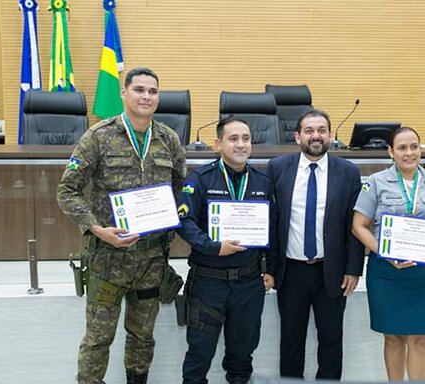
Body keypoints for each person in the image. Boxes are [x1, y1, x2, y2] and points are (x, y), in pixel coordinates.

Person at [57, 67, 186, 384]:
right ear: (124, 93)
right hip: (107, 260)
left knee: (143, 338)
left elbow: (183, 190)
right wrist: (96, 228)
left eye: (153, 91)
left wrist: (176, 214)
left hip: (151, 262)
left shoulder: (168, 139)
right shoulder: (99, 137)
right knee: (98, 339)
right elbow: (67, 190)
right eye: (139, 89)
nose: (147, 96)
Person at [352, 126, 425, 381]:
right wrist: (384, 251)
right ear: (390, 152)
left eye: (414, 147)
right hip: (387, 273)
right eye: (402, 148)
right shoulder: (375, 183)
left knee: (421, 339)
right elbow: (358, 225)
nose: (409, 153)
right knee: (393, 338)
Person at [176, 116, 277, 384]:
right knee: (199, 355)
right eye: (233, 139)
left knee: (242, 357)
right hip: (208, 281)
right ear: (218, 143)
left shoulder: (262, 182)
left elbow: (273, 230)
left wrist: (271, 270)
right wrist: (212, 246)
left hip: (248, 283)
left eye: (246, 139)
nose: (241, 145)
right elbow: (183, 221)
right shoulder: (200, 178)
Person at [267, 109, 364, 380]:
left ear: (330, 135)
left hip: (330, 271)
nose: (316, 136)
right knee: (290, 343)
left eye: (321, 130)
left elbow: (353, 224)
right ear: (297, 136)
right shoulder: (277, 168)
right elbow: (272, 223)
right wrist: (270, 268)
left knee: (331, 342)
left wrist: (354, 268)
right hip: (291, 272)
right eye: (309, 131)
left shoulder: (348, 172)